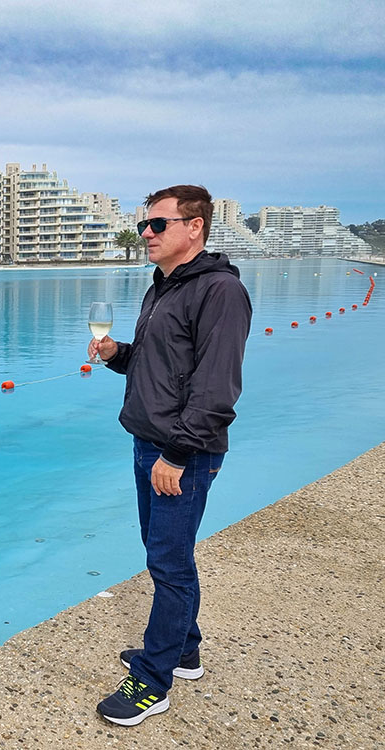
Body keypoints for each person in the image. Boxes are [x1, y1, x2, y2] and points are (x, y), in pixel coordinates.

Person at [90, 185, 252, 726]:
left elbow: (215, 389)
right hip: (148, 442)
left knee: (167, 561)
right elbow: (157, 367)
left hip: (181, 454)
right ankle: (184, 652)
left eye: (158, 224)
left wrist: (178, 456)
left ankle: (153, 683)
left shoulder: (220, 292)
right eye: (144, 225)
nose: (146, 234)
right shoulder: (161, 287)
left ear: (195, 227)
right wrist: (117, 355)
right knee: (166, 554)